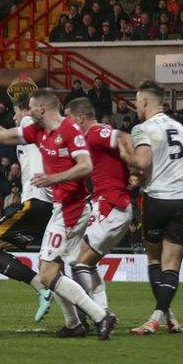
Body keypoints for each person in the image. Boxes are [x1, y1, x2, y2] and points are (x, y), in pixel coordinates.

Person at [0, 87, 117, 341]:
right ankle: (74, 323)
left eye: (31, 107)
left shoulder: (69, 129)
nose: (27, 112)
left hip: (73, 208)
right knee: (49, 269)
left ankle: (102, 316)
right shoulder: (38, 131)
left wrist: (53, 177)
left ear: (41, 109)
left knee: (46, 272)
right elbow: (1, 135)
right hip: (59, 208)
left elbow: (86, 165)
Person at [0, 94, 55, 323]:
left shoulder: (28, 122)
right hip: (49, 206)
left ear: (25, 110)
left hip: (35, 204)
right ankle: (82, 314)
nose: (14, 118)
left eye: (16, 112)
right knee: (57, 266)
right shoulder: (44, 131)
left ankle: (42, 289)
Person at [119, 80, 183, 336]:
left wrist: (125, 154)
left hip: (158, 200)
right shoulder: (180, 128)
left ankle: (154, 318)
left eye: (137, 101)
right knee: (171, 264)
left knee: (154, 258)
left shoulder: (143, 128)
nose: (136, 106)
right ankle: (169, 316)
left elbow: (142, 161)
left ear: (145, 102)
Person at [63, 97, 132, 337]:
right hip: (109, 204)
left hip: (111, 204)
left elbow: (124, 137)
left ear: (81, 117)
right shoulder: (86, 139)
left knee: (77, 261)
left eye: (69, 117)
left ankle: (96, 313)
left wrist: (137, 167)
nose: (67, 123)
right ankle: (102, 314)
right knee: (85, 262)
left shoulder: (94, 132)